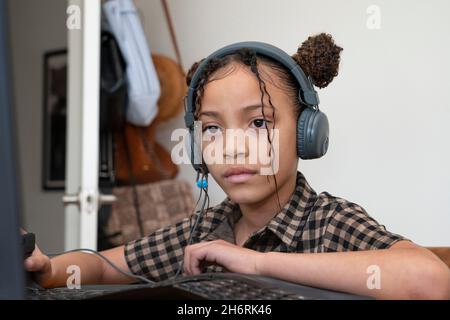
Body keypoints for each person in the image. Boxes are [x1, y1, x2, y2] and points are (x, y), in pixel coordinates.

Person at [25, 33, 450, 299]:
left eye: (259, 122)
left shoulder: (329, 222)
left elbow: (430, 282)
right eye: (211, 129)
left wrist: (254, 263)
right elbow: (101, 267)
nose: (232, 147)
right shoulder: (204, 231)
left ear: (306, 133)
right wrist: (47, 268)